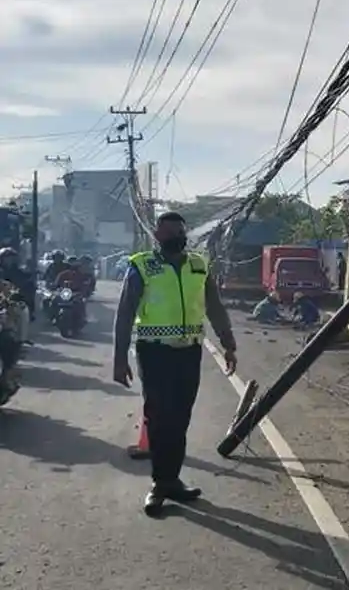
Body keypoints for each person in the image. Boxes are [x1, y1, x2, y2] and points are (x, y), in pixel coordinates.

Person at [112, 211, 239, 517]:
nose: (175, 238)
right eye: (168, 233)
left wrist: (228, 343)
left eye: (179, 233)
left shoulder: (199, 265)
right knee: (159, 417)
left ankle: (172, 480)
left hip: (188, 353)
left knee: (180, 418)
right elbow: (125, 313)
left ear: (186, 235)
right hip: (154, 353)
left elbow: (214, 307)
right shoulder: (142, 266)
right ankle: (160, 483)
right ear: (158, 236)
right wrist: (119, 359)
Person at [0, 248, 32, 346]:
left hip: (9, 300)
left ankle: (21, 340)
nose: (8, 260)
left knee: (23, 310)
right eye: (6, 258)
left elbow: (25, 284)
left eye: (11, 258)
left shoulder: (18, 272)